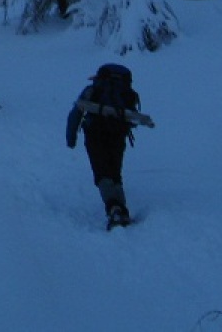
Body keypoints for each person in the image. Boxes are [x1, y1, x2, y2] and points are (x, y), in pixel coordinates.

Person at [66, 62, 155, 229]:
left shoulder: (92, 90)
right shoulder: (126, 93)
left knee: (102, 172)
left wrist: (71, 138)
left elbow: (76, 112)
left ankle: (114, 208)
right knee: (114, 171)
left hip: (94, 133)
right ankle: (120, 208)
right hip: (118, 134)